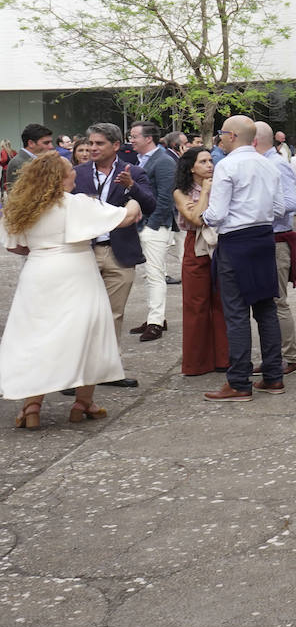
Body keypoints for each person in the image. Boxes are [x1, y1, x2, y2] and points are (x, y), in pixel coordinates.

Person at [2, 153, 142, 428]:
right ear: (59, 178)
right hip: (76, 270)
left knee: (36, 336)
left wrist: (42, 249)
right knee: (87, 332)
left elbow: (14, 246)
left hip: (38, 271)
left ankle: (32, 405)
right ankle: (83, 402)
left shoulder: (22, 206)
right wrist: (133, 197)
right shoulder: (76, 205)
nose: (75, 175)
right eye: (70, 172)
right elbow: (128, 217)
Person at [201, 115, 289, 402]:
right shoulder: (269, 164)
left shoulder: (227, 165)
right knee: (266, 309)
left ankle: (239, 382)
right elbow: (279, 209)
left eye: (222, 134)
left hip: (236, 242)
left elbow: (216, 214)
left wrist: (200, 216)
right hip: (263, 238)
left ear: (232, 136)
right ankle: (274, 376)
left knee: (236, 313)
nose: (220, 139)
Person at [73, 123, 155, 391]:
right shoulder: (77, 173)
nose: (92, 149)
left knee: (112, 315)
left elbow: (151, 205)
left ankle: (110, 370)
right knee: (82, 314)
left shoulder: (133, 172)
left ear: (116, 146)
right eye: (90, 144)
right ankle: (75, 374)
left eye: (99, 144)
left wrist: (132, 187)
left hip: (119, 253)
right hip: (83, 252)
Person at [172, 146, 230, 376]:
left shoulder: (222, 185)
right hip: (195, 244)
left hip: (220, 244)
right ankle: (197, 363)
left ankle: (224, 358)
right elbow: (196, 219)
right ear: (191, 167)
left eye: (210, 160)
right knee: (196, 304)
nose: (209, 165)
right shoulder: (181, 191)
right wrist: (205, 192)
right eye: (203, 161)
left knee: (221, 302)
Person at [254, 122, 296, 376]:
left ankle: (288, 357)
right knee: (267, 302)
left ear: (253, 141)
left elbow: (290, 203)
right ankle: (274, 356)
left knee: (277, 301)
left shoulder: (276, 164)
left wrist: (255, 212)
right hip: (265, 240)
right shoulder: (265, 163)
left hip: (276, 240)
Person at [127, 121, 178, 342]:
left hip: (155, 227)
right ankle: (155, 317)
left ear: (148, 138)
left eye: (134, 136)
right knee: (151, 275)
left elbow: (166, 199)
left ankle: (156, 323)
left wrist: (151, 225)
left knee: (156, 275)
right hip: (144, 226)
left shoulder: (164, 161)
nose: (131, 140)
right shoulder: (141, 160)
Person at [7, 123, 55, 188]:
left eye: (51, 142)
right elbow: (17, 195)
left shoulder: (44, 160)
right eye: (46, 143)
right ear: (31, 143)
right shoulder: (17, 163)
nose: (51, 146)